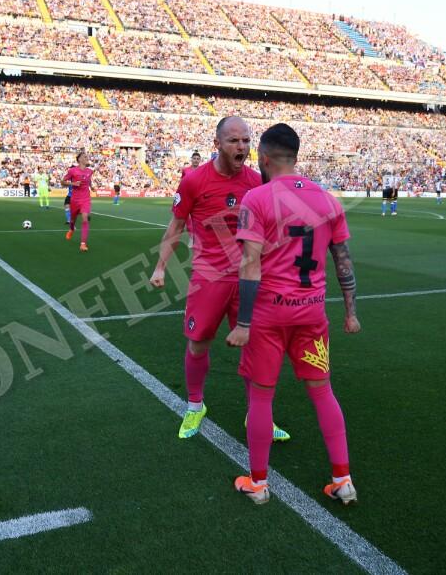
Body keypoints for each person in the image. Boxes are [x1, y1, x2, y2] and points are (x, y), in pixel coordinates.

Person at [225, 123, 360, 506]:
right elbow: (343, 261)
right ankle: (343, 479)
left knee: (263, 397)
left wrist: (244, 323)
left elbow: (250, 264)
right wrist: (350, 312)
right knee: (322, 393)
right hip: (312, 313)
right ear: (296, 157)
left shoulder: (257, 198)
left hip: (268, 317)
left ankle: (258, 483)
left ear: (264, 159)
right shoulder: (328, 200)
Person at [150, 117, 290, 442]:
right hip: (209, 278)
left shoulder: (257, 181)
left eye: (245, 140)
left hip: (248, 279)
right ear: (217, 144)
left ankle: (258, 415)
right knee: (198, 344)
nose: (241, 147)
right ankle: (196, 405)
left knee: (256, 347)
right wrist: (160, 267)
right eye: (233, 141)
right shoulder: (194, 181)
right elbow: (176, 227)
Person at [65, 152, 94, 251]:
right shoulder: (72, 171)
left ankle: (83, 244)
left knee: (85, 218)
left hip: (86, 198)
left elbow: (89, 180)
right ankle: (71, 229)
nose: (87, 158)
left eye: (87, 156)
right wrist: (73, 183)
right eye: (85, 157)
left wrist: (92, 186)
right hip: (75, 199)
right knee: (73, 220)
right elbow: (62, 182)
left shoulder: (90, 171)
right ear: (79, 159)